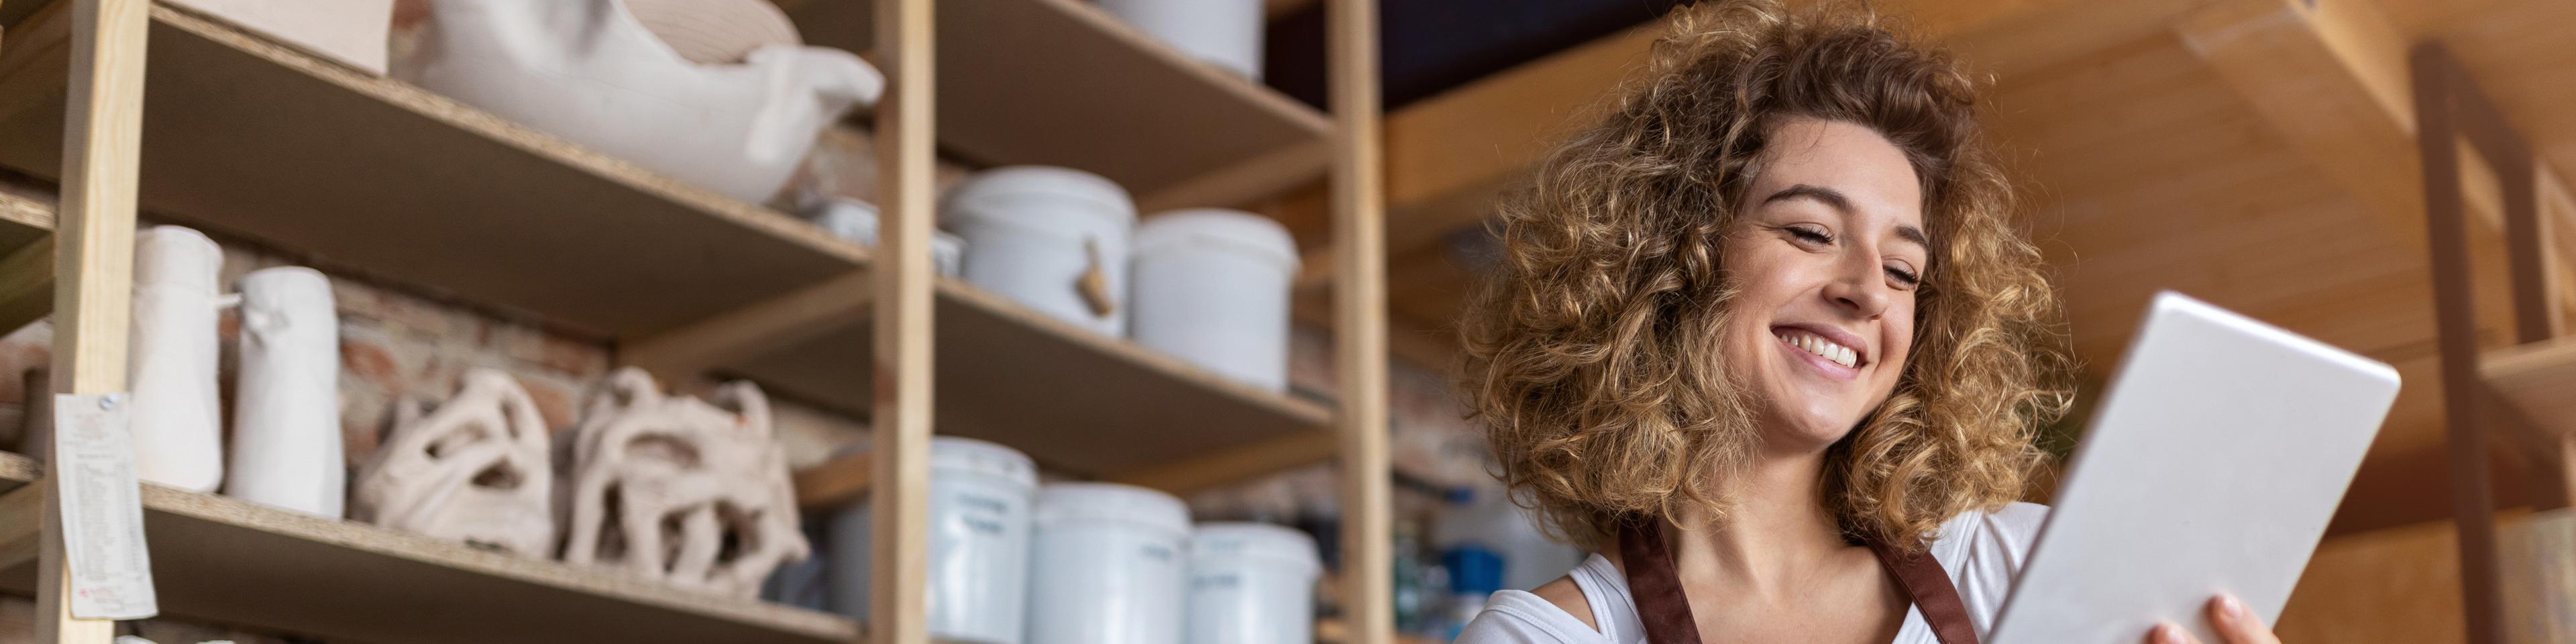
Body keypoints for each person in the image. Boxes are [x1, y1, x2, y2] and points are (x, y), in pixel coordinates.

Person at [1448, 2, 2281, 643]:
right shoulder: (1544, 636)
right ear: (1674, 257)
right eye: (1811, 232)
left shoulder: (2021, 570)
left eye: (1903, 270)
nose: (1868, 293)